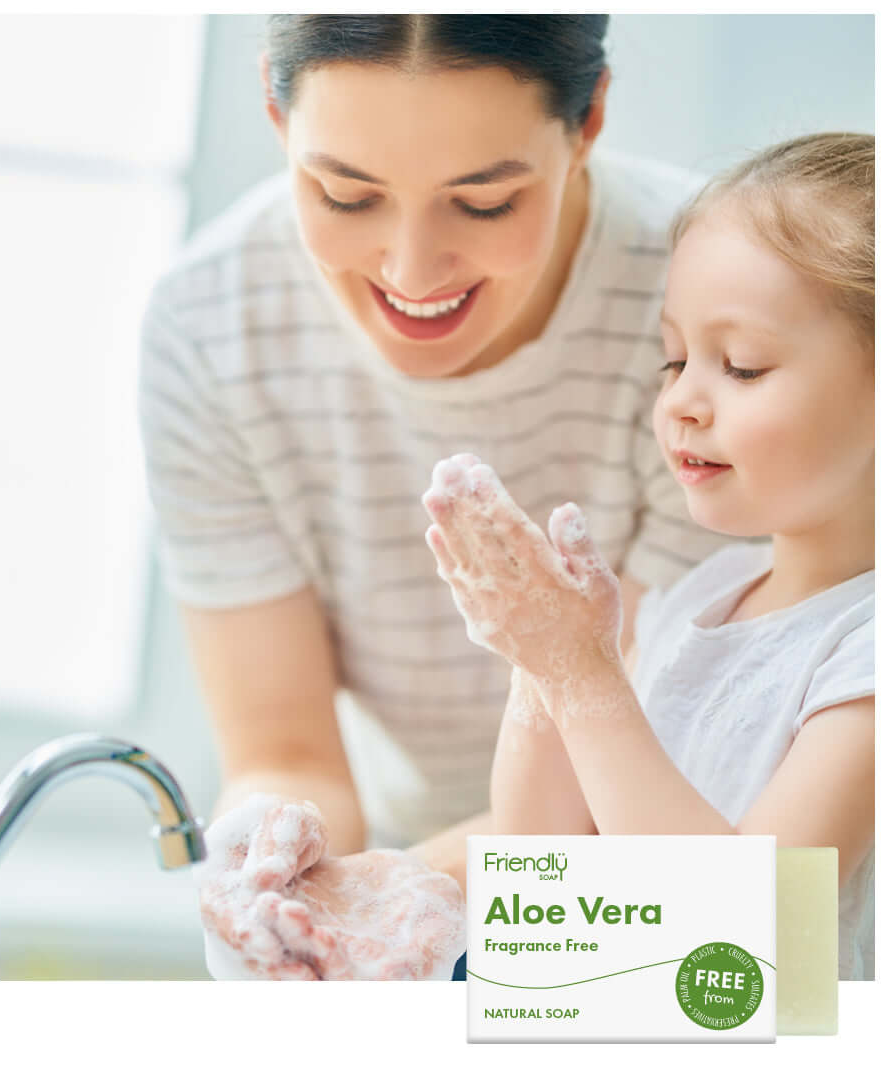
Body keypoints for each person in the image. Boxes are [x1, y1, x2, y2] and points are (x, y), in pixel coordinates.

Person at [139, 15, 729, 977]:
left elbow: (647, 757)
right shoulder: (209, 327)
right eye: (345, 193)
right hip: (424, 868)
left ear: (588, 122)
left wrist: (394, 895)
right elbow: (285, 746)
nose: (411, 273)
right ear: (275, 114)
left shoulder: (712, 300)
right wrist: (277, 872)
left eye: (486, 203)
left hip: (679, 874)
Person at [422, 132, 874, 979]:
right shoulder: (711, 592)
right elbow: (543, 868)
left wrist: (586, 678)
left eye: (740, 366)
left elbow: (752, 949)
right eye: (675, 359)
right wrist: (544, 663)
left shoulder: (865, 659)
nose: (680, 403)